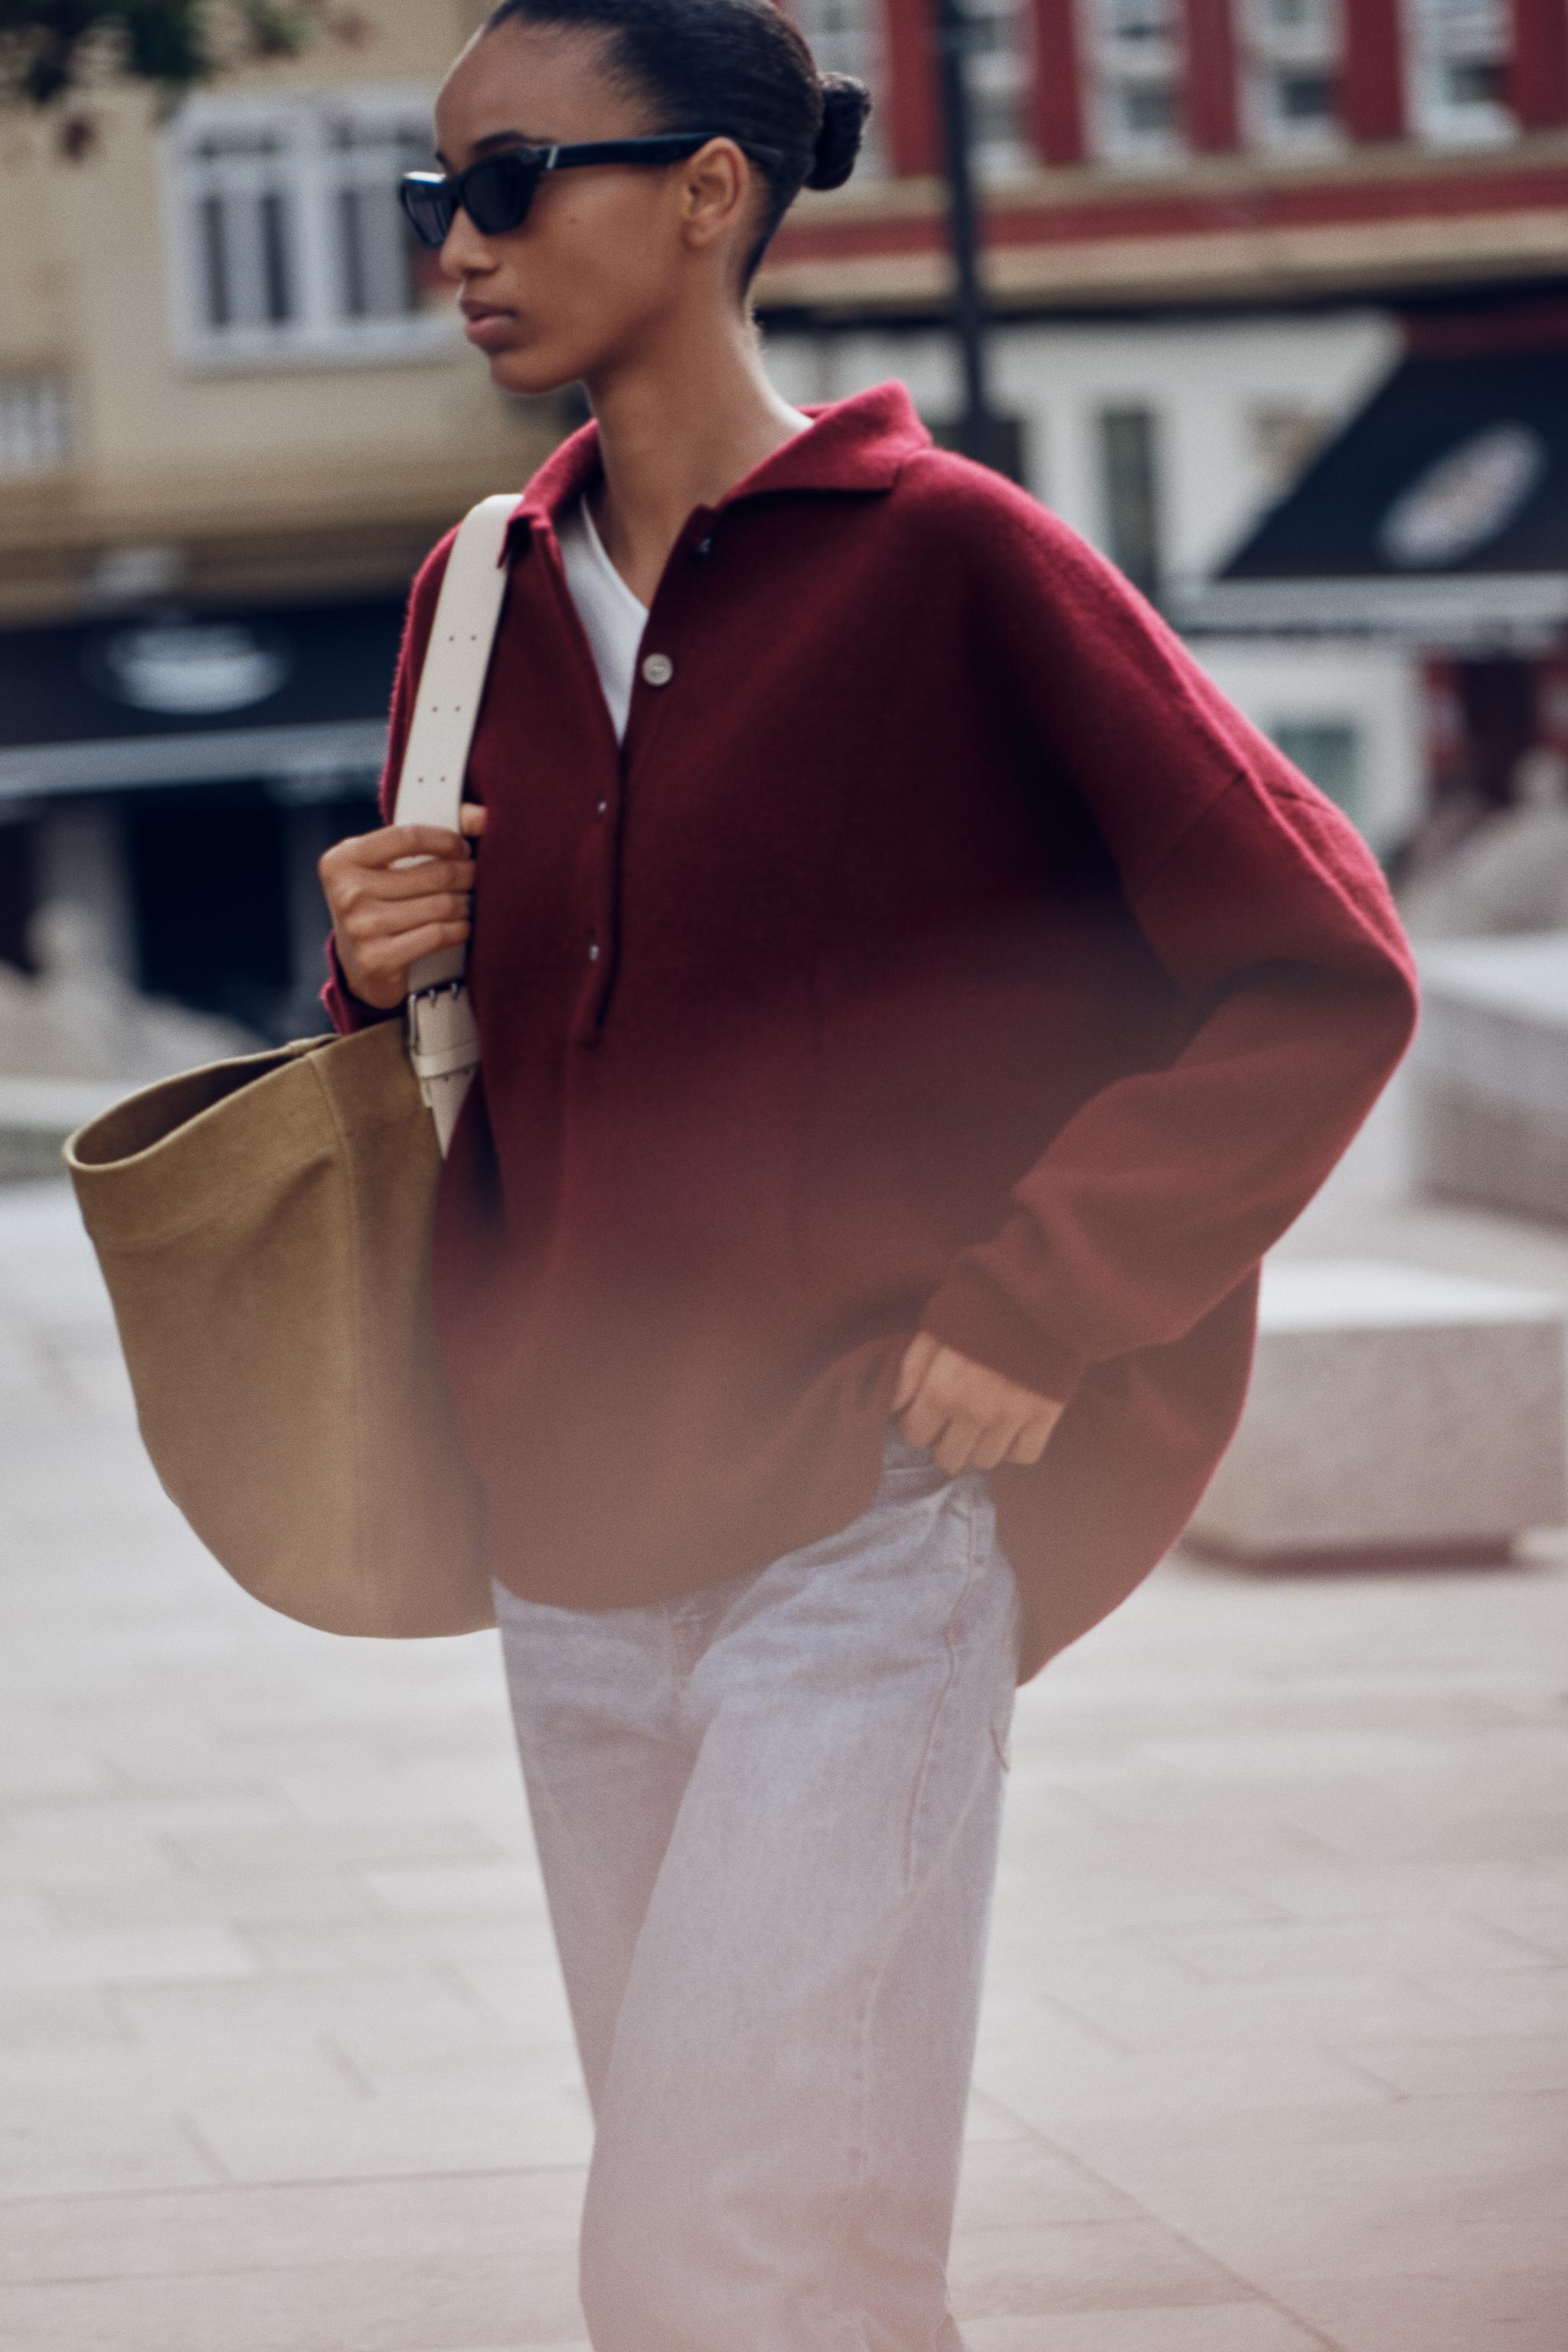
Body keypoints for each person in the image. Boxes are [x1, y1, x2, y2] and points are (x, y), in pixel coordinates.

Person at [317, 2, 1418, 2342]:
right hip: (572, 1553)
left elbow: (1318, 966)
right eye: (438, 198)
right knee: (751, 2256)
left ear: (712, 191)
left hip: (866, 1538)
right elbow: (460, 1093)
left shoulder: (957, 564)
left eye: (511, 183)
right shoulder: (473, 603)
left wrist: (1046, 1298)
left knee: (724, 2246)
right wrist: (374, 965)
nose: (460, 249)